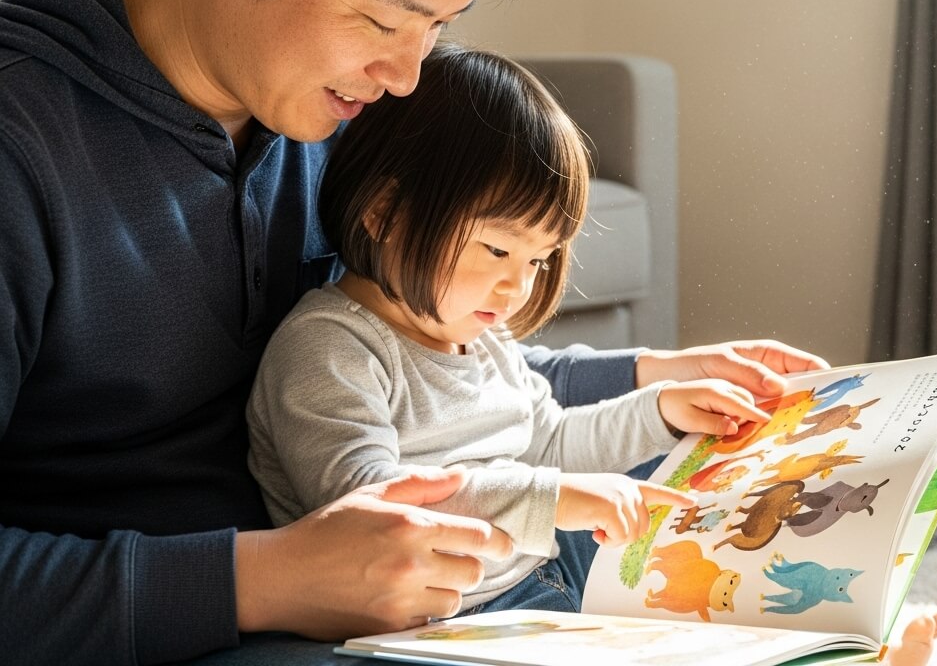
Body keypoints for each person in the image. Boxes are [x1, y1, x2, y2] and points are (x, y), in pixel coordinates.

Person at [0, 0, 826, 664]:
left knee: (723, 500)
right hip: (171, 613)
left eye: (437, 26)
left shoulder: (331, 110)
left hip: (390, 565)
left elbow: (438, 376)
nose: (405, 77)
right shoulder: (22, 141)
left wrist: (651, 375)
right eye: (384, 17)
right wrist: (267, 581)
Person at [246, 45, 770, 619]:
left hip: (538, 593)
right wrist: (550, 500)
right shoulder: (330, 347)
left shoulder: (481, 339)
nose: (516, 287)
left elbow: (550, 441)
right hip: (435, 625)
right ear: (386, 213)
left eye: (538, 260)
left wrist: (660, 412)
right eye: (497, 249)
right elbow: (370, 499)